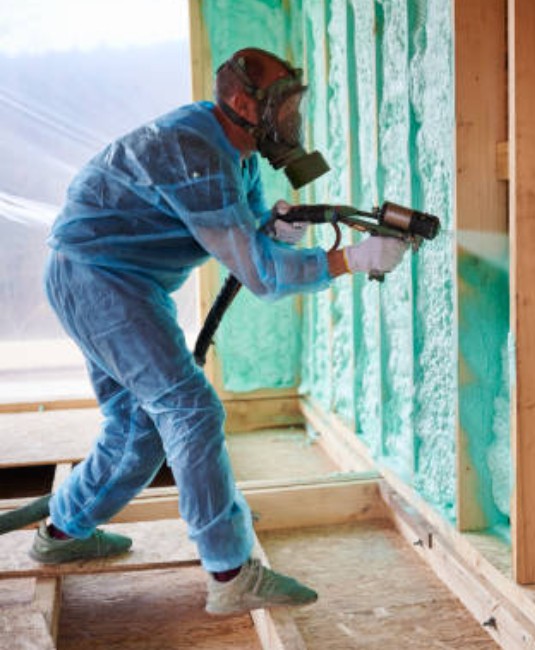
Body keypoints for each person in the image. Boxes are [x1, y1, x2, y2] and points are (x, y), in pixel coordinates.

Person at [34, 47, 406, 615]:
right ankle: (230, 572)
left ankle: (63, 533)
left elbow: (254, 246)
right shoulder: (196, 151)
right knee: (189, 410)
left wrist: (278, 229)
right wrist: (352, 259)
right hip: (99, 278)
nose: (292, 120)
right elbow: (261, 277)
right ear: (242, 102)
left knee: (141, 424)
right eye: (284, 106)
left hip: (116, 279)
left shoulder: (242, 156)